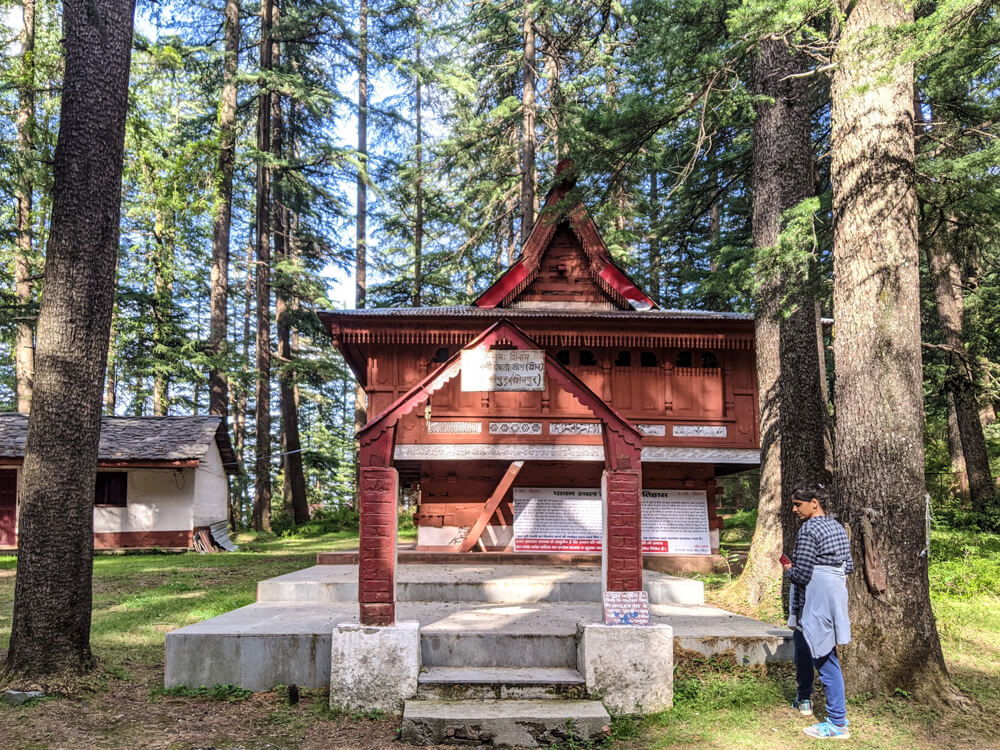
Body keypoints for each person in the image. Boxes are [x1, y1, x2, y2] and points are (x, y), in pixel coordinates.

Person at [782, 483, 854, 740]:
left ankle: (837, 723)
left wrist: (788, 569)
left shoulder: (809, 529)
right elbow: (849, 566)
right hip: (834, 597)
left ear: (814, 503)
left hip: (814, 600)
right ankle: (803, 699)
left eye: (798, 504)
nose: (794, 509)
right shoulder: (837, 526)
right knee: (802, 643)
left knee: (825, 656)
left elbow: (801, 574)